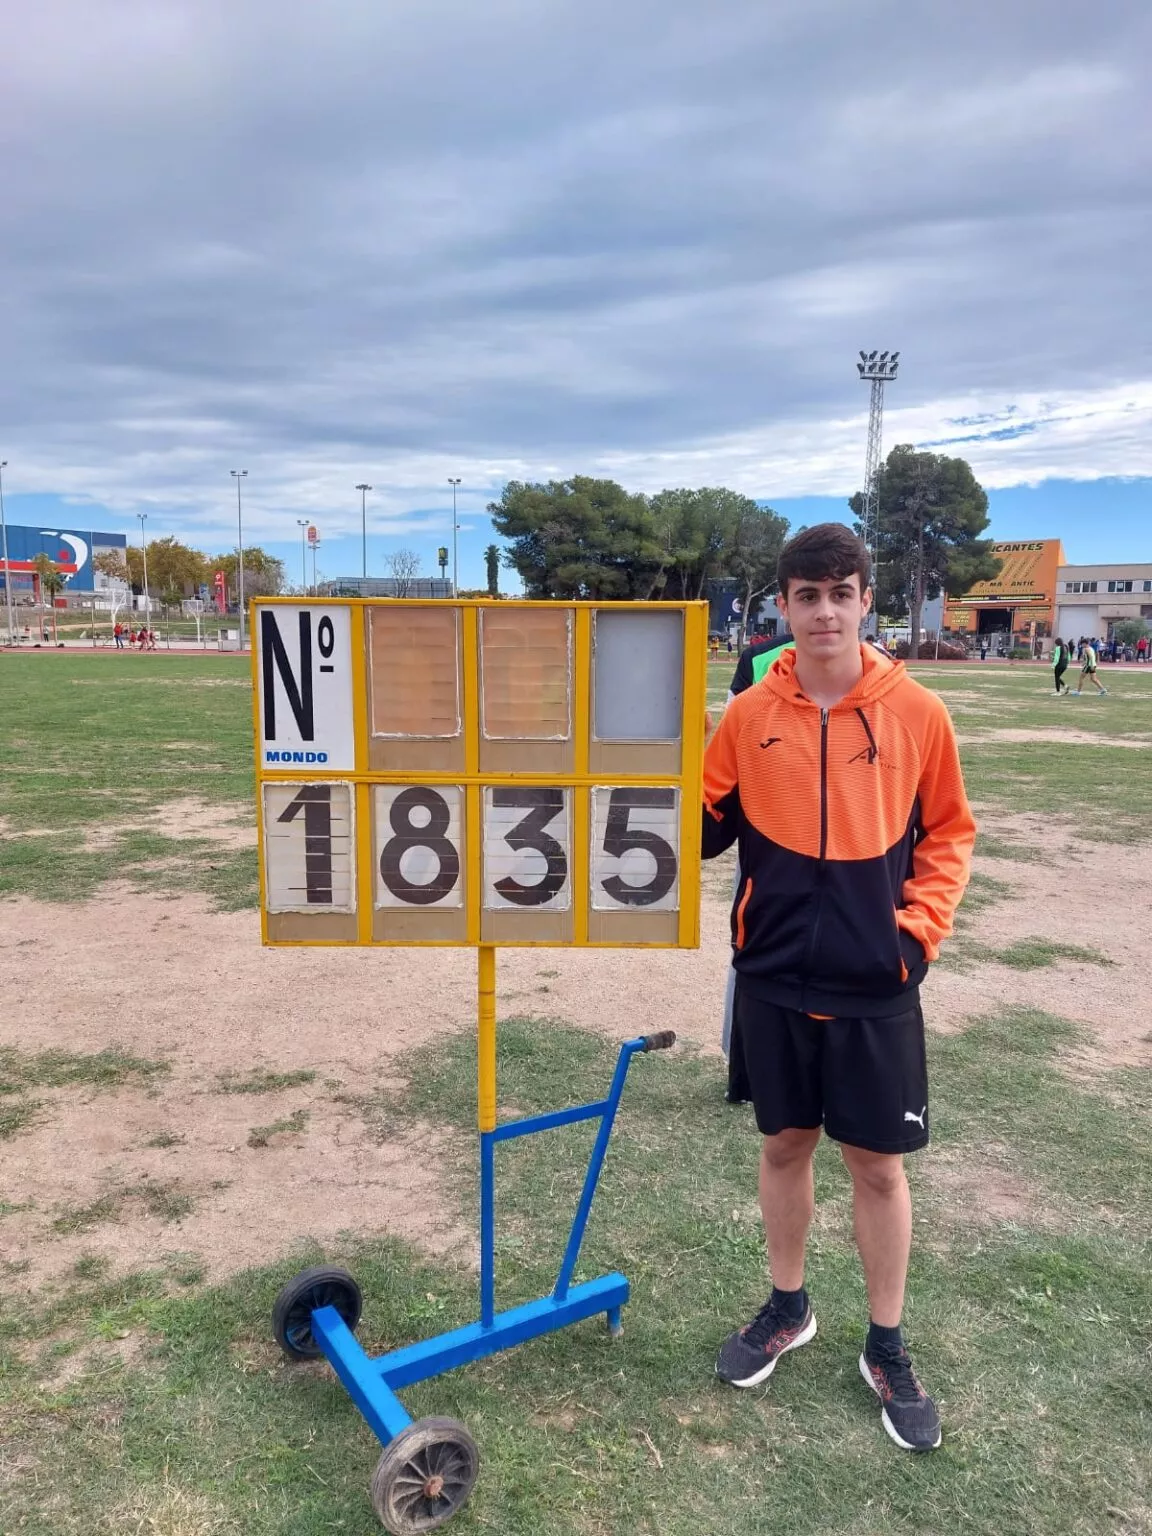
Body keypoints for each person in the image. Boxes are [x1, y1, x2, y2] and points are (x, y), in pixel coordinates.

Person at [702, 523, 974, 1453]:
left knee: (877, 1167)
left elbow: (949, 834)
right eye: (806, 595)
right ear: (783, 605)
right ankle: (787, 1307)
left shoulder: (918, 712)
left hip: (876, 980)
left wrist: (915, 934)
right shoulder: (747, 716)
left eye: (840, 593)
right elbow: (698, 826)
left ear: (866, 601)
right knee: (783, 1147)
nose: (824, 611)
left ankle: (887, 1346)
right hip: (773, 975)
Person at [718, 628, 796, 1060]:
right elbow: (730, 743)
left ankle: (743, 1054)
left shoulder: (878, 662)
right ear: (785, 603)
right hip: (764, 831)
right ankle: (742, 1057)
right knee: (752, 942)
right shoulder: (758, 657)